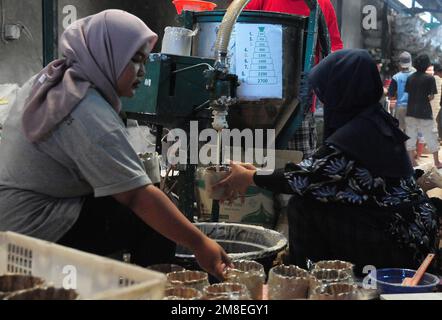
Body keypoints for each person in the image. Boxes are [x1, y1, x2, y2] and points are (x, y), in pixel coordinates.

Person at [0, 10, 231, 280]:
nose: (142, 71)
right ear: (107, 54)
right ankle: (152, 292)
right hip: (31, 226)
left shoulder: (60, 78)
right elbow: (137, 196)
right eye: (135, 60)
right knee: (149, 221)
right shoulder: (84, 109)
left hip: (14, 209)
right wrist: (201, 244)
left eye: (145, 61)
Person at [216, 50, 440, 275]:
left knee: (303, 207)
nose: (323, 98)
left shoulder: (357, 133)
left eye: (326, 90)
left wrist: (250, 177)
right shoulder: (375, 120)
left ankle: (306, 280)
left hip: (400, 244)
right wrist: (259, 174)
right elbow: (321, 174)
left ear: (344, 88)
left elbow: (307, 179)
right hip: (414, 234)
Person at [245, 0, 344, 159]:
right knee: (250, 163)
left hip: (300, 107)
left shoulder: (322, 4)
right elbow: (236, 26)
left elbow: (333, 50)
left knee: (296, 166)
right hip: (253, 103)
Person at [404, 54, 441, 168]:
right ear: (426, 66)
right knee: (430, 136)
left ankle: (412, 161)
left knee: (411, 136)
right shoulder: (430, 78)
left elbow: (408, 92)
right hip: (424, 111)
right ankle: (436, 162)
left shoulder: (410, 77)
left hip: (410, 111)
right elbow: (431, 96)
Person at [387, 51, 414, 132]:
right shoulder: (416, 76)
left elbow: (390, 96)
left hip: (400, 108)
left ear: (400, 63)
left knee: (399, 133)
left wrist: (397, 95)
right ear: (410, 62)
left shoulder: (396, 77)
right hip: (413, 108)